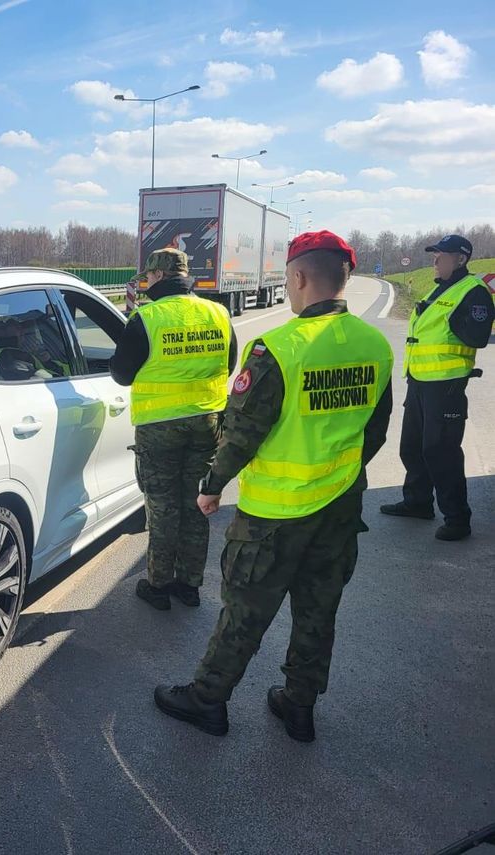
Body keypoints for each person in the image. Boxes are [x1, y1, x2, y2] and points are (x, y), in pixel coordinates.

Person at [153, 230, 393, 742]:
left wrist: (211, 485)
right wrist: (337, 471)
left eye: (287, 277)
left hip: (273, 516)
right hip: (339, 508)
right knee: (317, 613)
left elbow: (242, 433)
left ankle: (207, 701)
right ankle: (298, 707)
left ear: (301, 277)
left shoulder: (278, 348)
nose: (287, 285)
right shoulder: (376, 343)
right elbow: (376, 429)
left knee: (244, 614)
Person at [110, 248, 237, 610]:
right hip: (208, 423)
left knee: (164, 507)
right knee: (197, 503)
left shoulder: (147, 318)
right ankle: (190, 585)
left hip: (160, 427)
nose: (146, 282)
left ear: (159, 277)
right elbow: (229, 362)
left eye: (148, 277)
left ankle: (159, 585)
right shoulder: (218, 313)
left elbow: (121, 373)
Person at [380, 235, 493, 541]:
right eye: (435, 255)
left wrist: (457, 322)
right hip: (420, 382)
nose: (435, 260)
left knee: (440, 451)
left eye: (441, 256)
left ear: (460, 259)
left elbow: (478, 336)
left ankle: (457, 519)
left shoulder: (474, 292)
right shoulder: (439, 287)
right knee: (412, 446)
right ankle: (417, 502)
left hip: (447, 385)